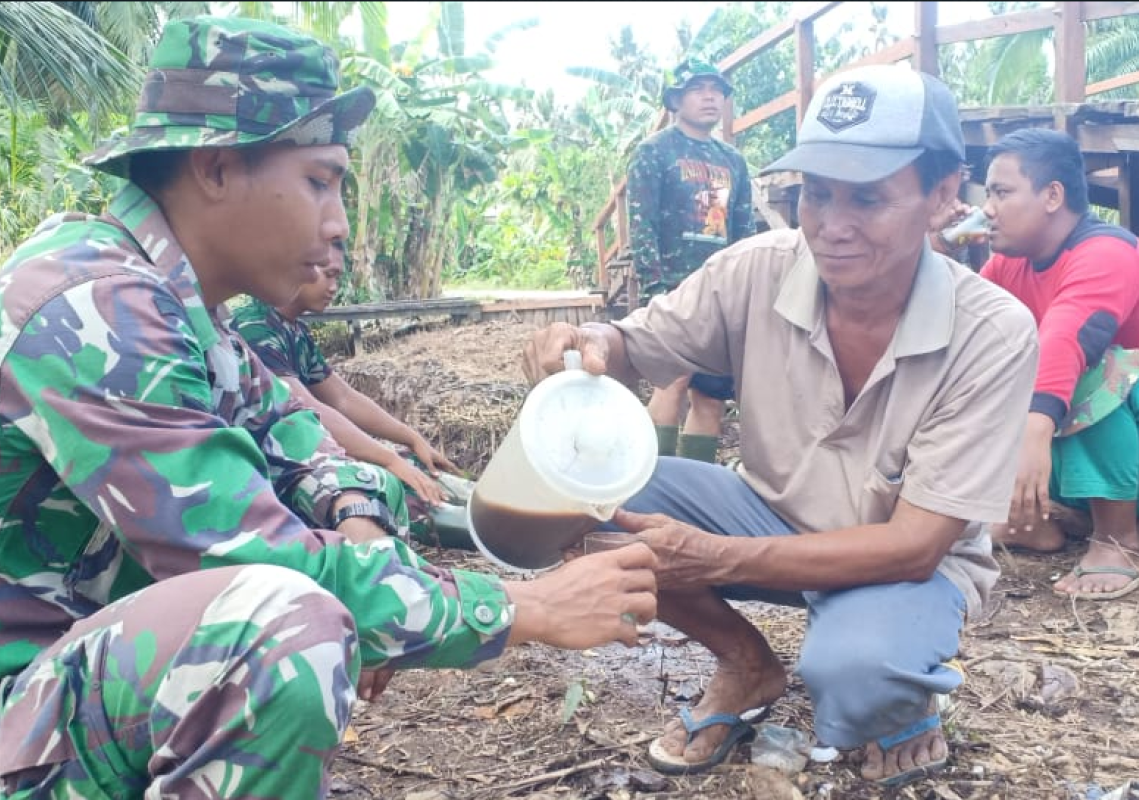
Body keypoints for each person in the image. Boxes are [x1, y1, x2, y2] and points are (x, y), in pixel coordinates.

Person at [0, 17, 657, 798]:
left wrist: (361, 526)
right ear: (214, 169)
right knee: (281, 629)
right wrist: (525, 606)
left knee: (322, 601)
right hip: (19, 707)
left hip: (64, 690)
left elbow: (302, 438)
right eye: (320, 181)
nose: (339, 222)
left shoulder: (184, 312)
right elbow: (252, 561)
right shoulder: (95, 308)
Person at [525, 64, 1039, 786]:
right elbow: (634, 344)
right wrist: (591, 343)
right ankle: (747, 664)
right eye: (815, 195)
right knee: (575, 498)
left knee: (857, 681)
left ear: (944, 196)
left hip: (901, 561)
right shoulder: (756, 270)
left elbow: (917, 545)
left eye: (866, 198)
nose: (831, 226)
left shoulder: (992, 332)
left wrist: (713, 557)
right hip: (769, 513)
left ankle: (892, 694)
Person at [972, 128, 1139, 598]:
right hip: (1075, 462)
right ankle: (1027, 519)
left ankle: (1119, 543)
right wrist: (936, 251)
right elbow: (963, 334)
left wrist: (1033, 435)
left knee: (1094, 360)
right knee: (984, 361)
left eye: (1002, 192)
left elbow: (1068, 338)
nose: (987, 209)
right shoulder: (1008, 264)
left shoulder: (1108, 252)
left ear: (1053, 195)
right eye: (986, 194)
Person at [230, 255, 474, 548]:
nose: (334, 287)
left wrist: (411, 439)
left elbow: (343, 398)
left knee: (412, 465)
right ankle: (486, 530)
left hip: (300, 450)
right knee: (390, 482)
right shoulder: (255, 327)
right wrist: (389, 460)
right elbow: (307, 409)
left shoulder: (293, 329)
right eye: (329, 275)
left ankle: (481, 504)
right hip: (272, 465)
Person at [626, 58, 756, 464]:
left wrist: (746, 289)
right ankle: (653, 480)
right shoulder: (654, 152)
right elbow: (641, 225)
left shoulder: (733, 161)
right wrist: (654, 289)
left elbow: (743, 232)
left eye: (716, 90)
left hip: (722, 294)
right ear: (676, 99)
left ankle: (692, 487)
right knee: (673, 384)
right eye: (699, 89)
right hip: (674, 290)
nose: (710, 97)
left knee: (712, 396)